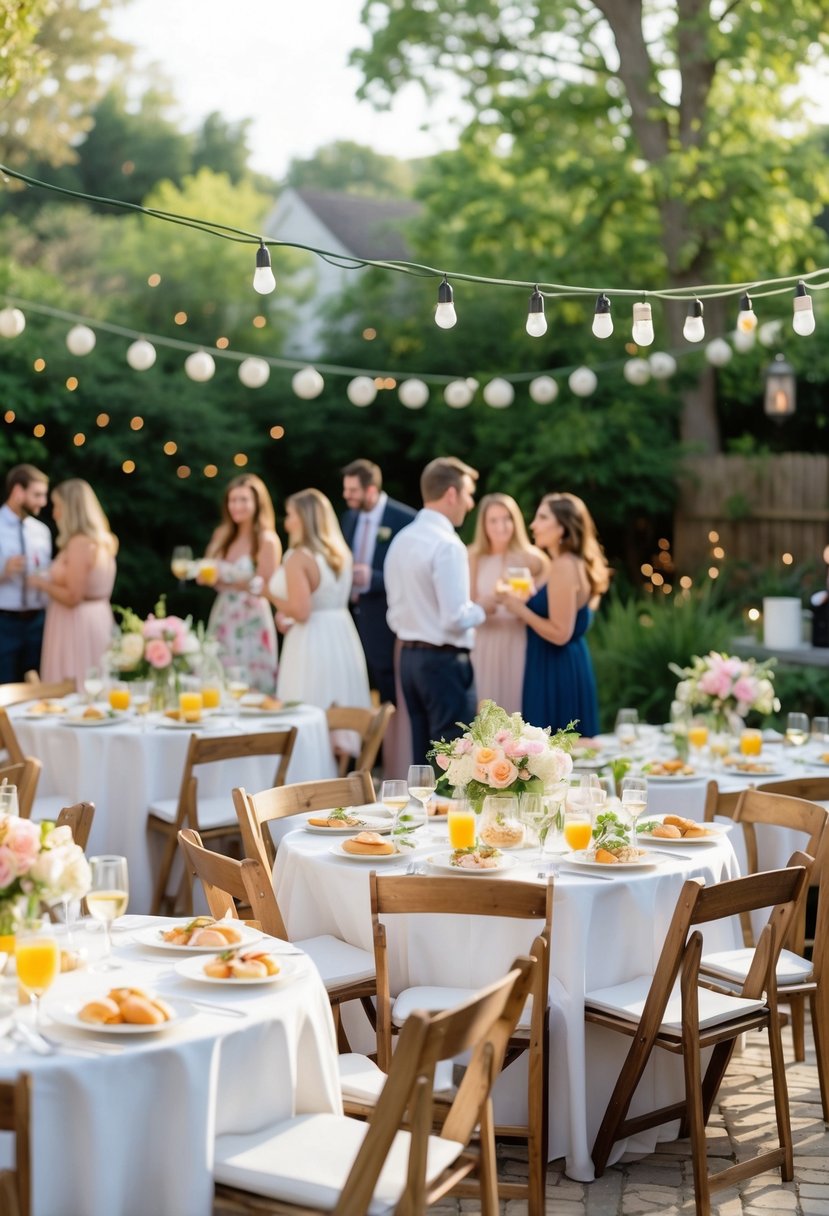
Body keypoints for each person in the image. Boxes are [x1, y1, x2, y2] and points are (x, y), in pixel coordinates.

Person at [385, 456, 485, 766]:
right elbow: (455, 618)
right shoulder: (448, 545)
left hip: (409, 661)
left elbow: (394, 611)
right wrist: (483, 608)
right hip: (443, 664)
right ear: (451, 494)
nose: (470, 503)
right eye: (468, 494)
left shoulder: (401, 540)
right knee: (455, 761)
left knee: (423, 758)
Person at [498, 492, 610, 737]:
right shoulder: (570, 563)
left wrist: (519, 609)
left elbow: (560, 633)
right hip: (565, 663)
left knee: (551, 749)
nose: (533, 525)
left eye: (542, 518)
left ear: (562, 527)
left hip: (554, 669)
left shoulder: (563, 566)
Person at [268, 488, 371, 714]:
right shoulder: (341, 553)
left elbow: (301, 611)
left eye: (291, 514)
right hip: (342, 635)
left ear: (304, 519)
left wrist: (271, 595)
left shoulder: (299, 557)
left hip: (310, 641)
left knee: (309, 703)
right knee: (341, 699)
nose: (287, 522)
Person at [26, 479, 117, 687]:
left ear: (71, 509)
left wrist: (41, 583)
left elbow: (73, 597)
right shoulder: (102, 540)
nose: (55, 513)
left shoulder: (79, 543)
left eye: (58, 506)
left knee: (74, 687)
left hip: (77, 625)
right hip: (96, 618)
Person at [340, 459, 415, 705]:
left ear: (371, 490)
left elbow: (411, 573)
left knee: (389, 688)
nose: (346, 495)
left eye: (353, 490)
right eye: (346, 489)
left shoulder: (404, 519)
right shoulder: (350, 518)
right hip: (352, 614)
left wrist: (373, 578)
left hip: (385, 616)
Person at [468, 493, 548, 714]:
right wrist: (484, 603)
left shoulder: (533, 558)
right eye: (493, 520)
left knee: (514, 709)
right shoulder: (473, 556)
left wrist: (524, 602)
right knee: (483, 710)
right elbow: (466, 603)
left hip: (517, 640)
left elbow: (545, 602)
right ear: (483, 524)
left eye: (506, 519)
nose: (501, 527)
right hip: (483, 640)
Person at [203, 474, 281, 693]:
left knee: (251, 682)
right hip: (224, 613)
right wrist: (207, 577)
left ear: (257, 503)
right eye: (232, 500)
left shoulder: (267, 540)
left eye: (243, 500)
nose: (236, 506)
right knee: (218, 674)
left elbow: (267, 587)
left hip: (252, 616)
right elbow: (209, 571)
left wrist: (232, 581)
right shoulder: (222, 535)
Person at [0, 464, 52, 682]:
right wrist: (3, 572)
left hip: (37, 622)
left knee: (40, 687)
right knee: (5, 688)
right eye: (37, 495)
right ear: (18, 491)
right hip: (4, 623)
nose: (43, 502)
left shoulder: (42, 531)